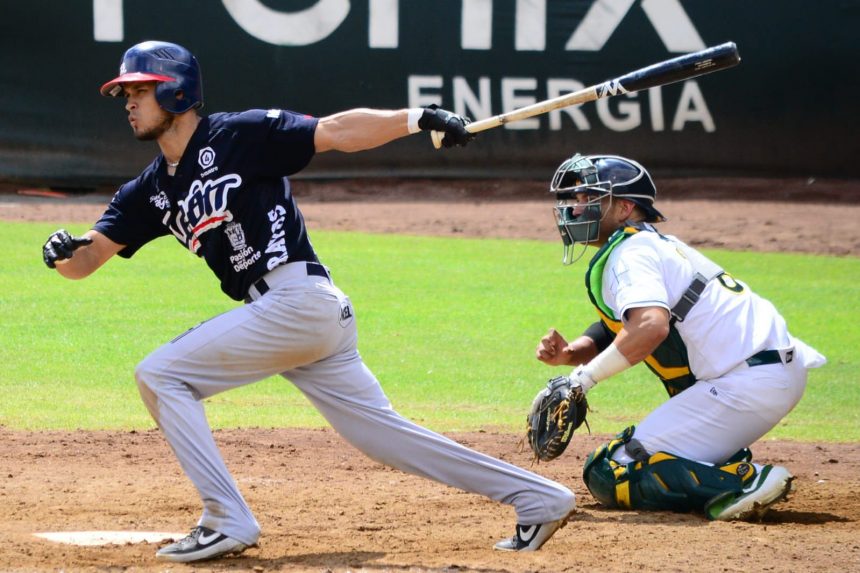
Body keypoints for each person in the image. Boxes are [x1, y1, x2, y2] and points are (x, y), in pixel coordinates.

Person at [41, 40, 575, 563]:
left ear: (177, 92)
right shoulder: (151, 189)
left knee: (160, 375)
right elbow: (86, 260)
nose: (129, 102)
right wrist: (63, 251)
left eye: (141, 90)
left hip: (298, 302)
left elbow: (338, 131)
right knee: (384, 439)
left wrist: (419, 117)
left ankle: (226, 519)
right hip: (297, 316)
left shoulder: (238, 134)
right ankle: (540, 498)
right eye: (125, 93)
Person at [534, 153, 826, 521]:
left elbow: (651, 326)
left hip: (745, 383)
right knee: (624, 462)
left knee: (611, 471)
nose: (575, 209)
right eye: (575, 199)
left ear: (624, 208)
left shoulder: (631, 253)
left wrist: (581, 380)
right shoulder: (650, 243)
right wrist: (576, 352)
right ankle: (721, 460)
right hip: (763, 373)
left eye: (587, 199)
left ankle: (744, 482)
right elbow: (633, 323)